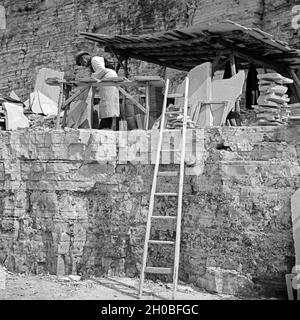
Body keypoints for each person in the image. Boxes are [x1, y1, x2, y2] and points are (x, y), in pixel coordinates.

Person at [75, 51, 120, 129]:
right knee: (107, 103)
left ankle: (106, 125)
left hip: (108, 78)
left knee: (108, 103)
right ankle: (106, 124)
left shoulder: (94, 59)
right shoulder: (93, 63)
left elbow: (101, 70)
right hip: (106, 79)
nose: (83, 65)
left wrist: (92, 77)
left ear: (84, 58)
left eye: (82, 63)